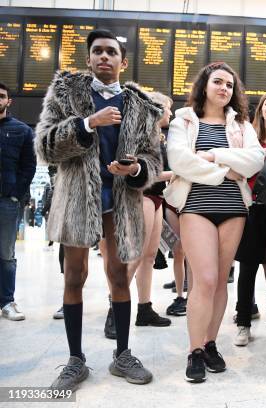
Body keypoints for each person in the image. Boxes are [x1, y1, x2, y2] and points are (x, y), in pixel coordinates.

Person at [36, 29, 162, 391]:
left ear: (124, 62)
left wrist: (135, 168)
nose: (104, 57)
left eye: (111, 52)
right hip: (78, 196)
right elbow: (45, 146)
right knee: (74, 276)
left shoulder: (143, 106)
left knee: (119, 276)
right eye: (97, 52)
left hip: (121, 200)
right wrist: (88, 124)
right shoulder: (65, 93)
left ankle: (123, 354)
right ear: (89, 59)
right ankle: (75, 360)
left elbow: (153, 160)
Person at [165, 62, 264, 383]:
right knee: (204, 279)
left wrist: (214, 154)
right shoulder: (184, 120)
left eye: (230, 85)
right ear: (204, 85)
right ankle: (194, 350)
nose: (224, 89)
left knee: (220, 281)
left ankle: (209, 344)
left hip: (234, 208)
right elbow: (179, 161)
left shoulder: (242, 124)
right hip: (196, 206)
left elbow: (255, 160)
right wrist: (226, 171)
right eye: (218, 82)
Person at [234, 90, 266, 346]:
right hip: (252, 208)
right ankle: (243, 321)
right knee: (248, 266)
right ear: (261, 108)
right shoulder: (248, 137)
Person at [125, 91, 174, 327]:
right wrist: (175, 174)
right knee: (135, 256)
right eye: (168, 108)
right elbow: (137, 170)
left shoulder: (160, 136)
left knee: (149, 257)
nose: (171, 113)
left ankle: (144, 309)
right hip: (141, 195)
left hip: (155, 197)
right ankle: (115, 311)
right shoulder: (139, 134)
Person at [0, 81, 37, 321]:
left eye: (1, 96)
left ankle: (7, 302)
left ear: (8, 101)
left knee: (6, 254)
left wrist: (16, 193)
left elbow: (29, 166)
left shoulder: (22, 130)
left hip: (7, 201)